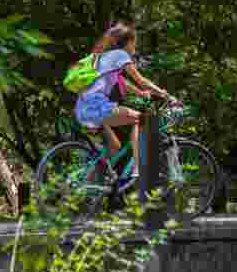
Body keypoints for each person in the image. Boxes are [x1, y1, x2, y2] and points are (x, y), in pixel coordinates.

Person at [74, 22, 177, 186]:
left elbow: (122, 81)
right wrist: (164, 94)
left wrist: (141, 93)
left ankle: (85, 182)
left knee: (114, 146)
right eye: (135, 42)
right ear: (128, 42)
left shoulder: (103, 57)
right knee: (140, 119)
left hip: (83, 109)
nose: (135, 46)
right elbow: (141, 80)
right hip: (97, 108)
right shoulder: (120, 56)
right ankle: (138, 167)